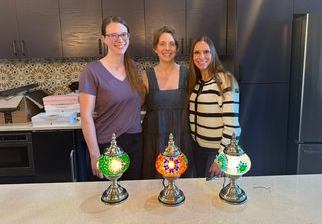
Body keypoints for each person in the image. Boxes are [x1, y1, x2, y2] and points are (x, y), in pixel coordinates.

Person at [79, 16, 144, 180]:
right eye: (113, 35)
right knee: (110, 198)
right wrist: (94, 155)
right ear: (104, 39)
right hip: (107, 145)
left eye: (123, 34)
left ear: (128, 37)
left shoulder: (134, 68)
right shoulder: (92, 71)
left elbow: (138, 102)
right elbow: (86, 116)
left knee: (133, 194)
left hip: (135, 143)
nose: (119, 39)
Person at [141, 25, 194, 179]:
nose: (167, 48)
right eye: (162, 44)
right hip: (154, 139)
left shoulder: (187, 74)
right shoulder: (145, 75)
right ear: (155, 48)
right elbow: (139, 104)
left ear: (177, 48)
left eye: (171, 44)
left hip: (182, 138)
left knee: (183, 188)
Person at [188, 36, 241, 178]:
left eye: (206, 52)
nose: (201, 57)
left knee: (212, 195)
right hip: (198, 149)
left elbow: (233, 127)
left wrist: (221, 158)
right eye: (196, 53)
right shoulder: (198, 83)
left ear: (213, 54)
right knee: (202, 192)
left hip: (215, 151)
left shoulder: (224, 80)